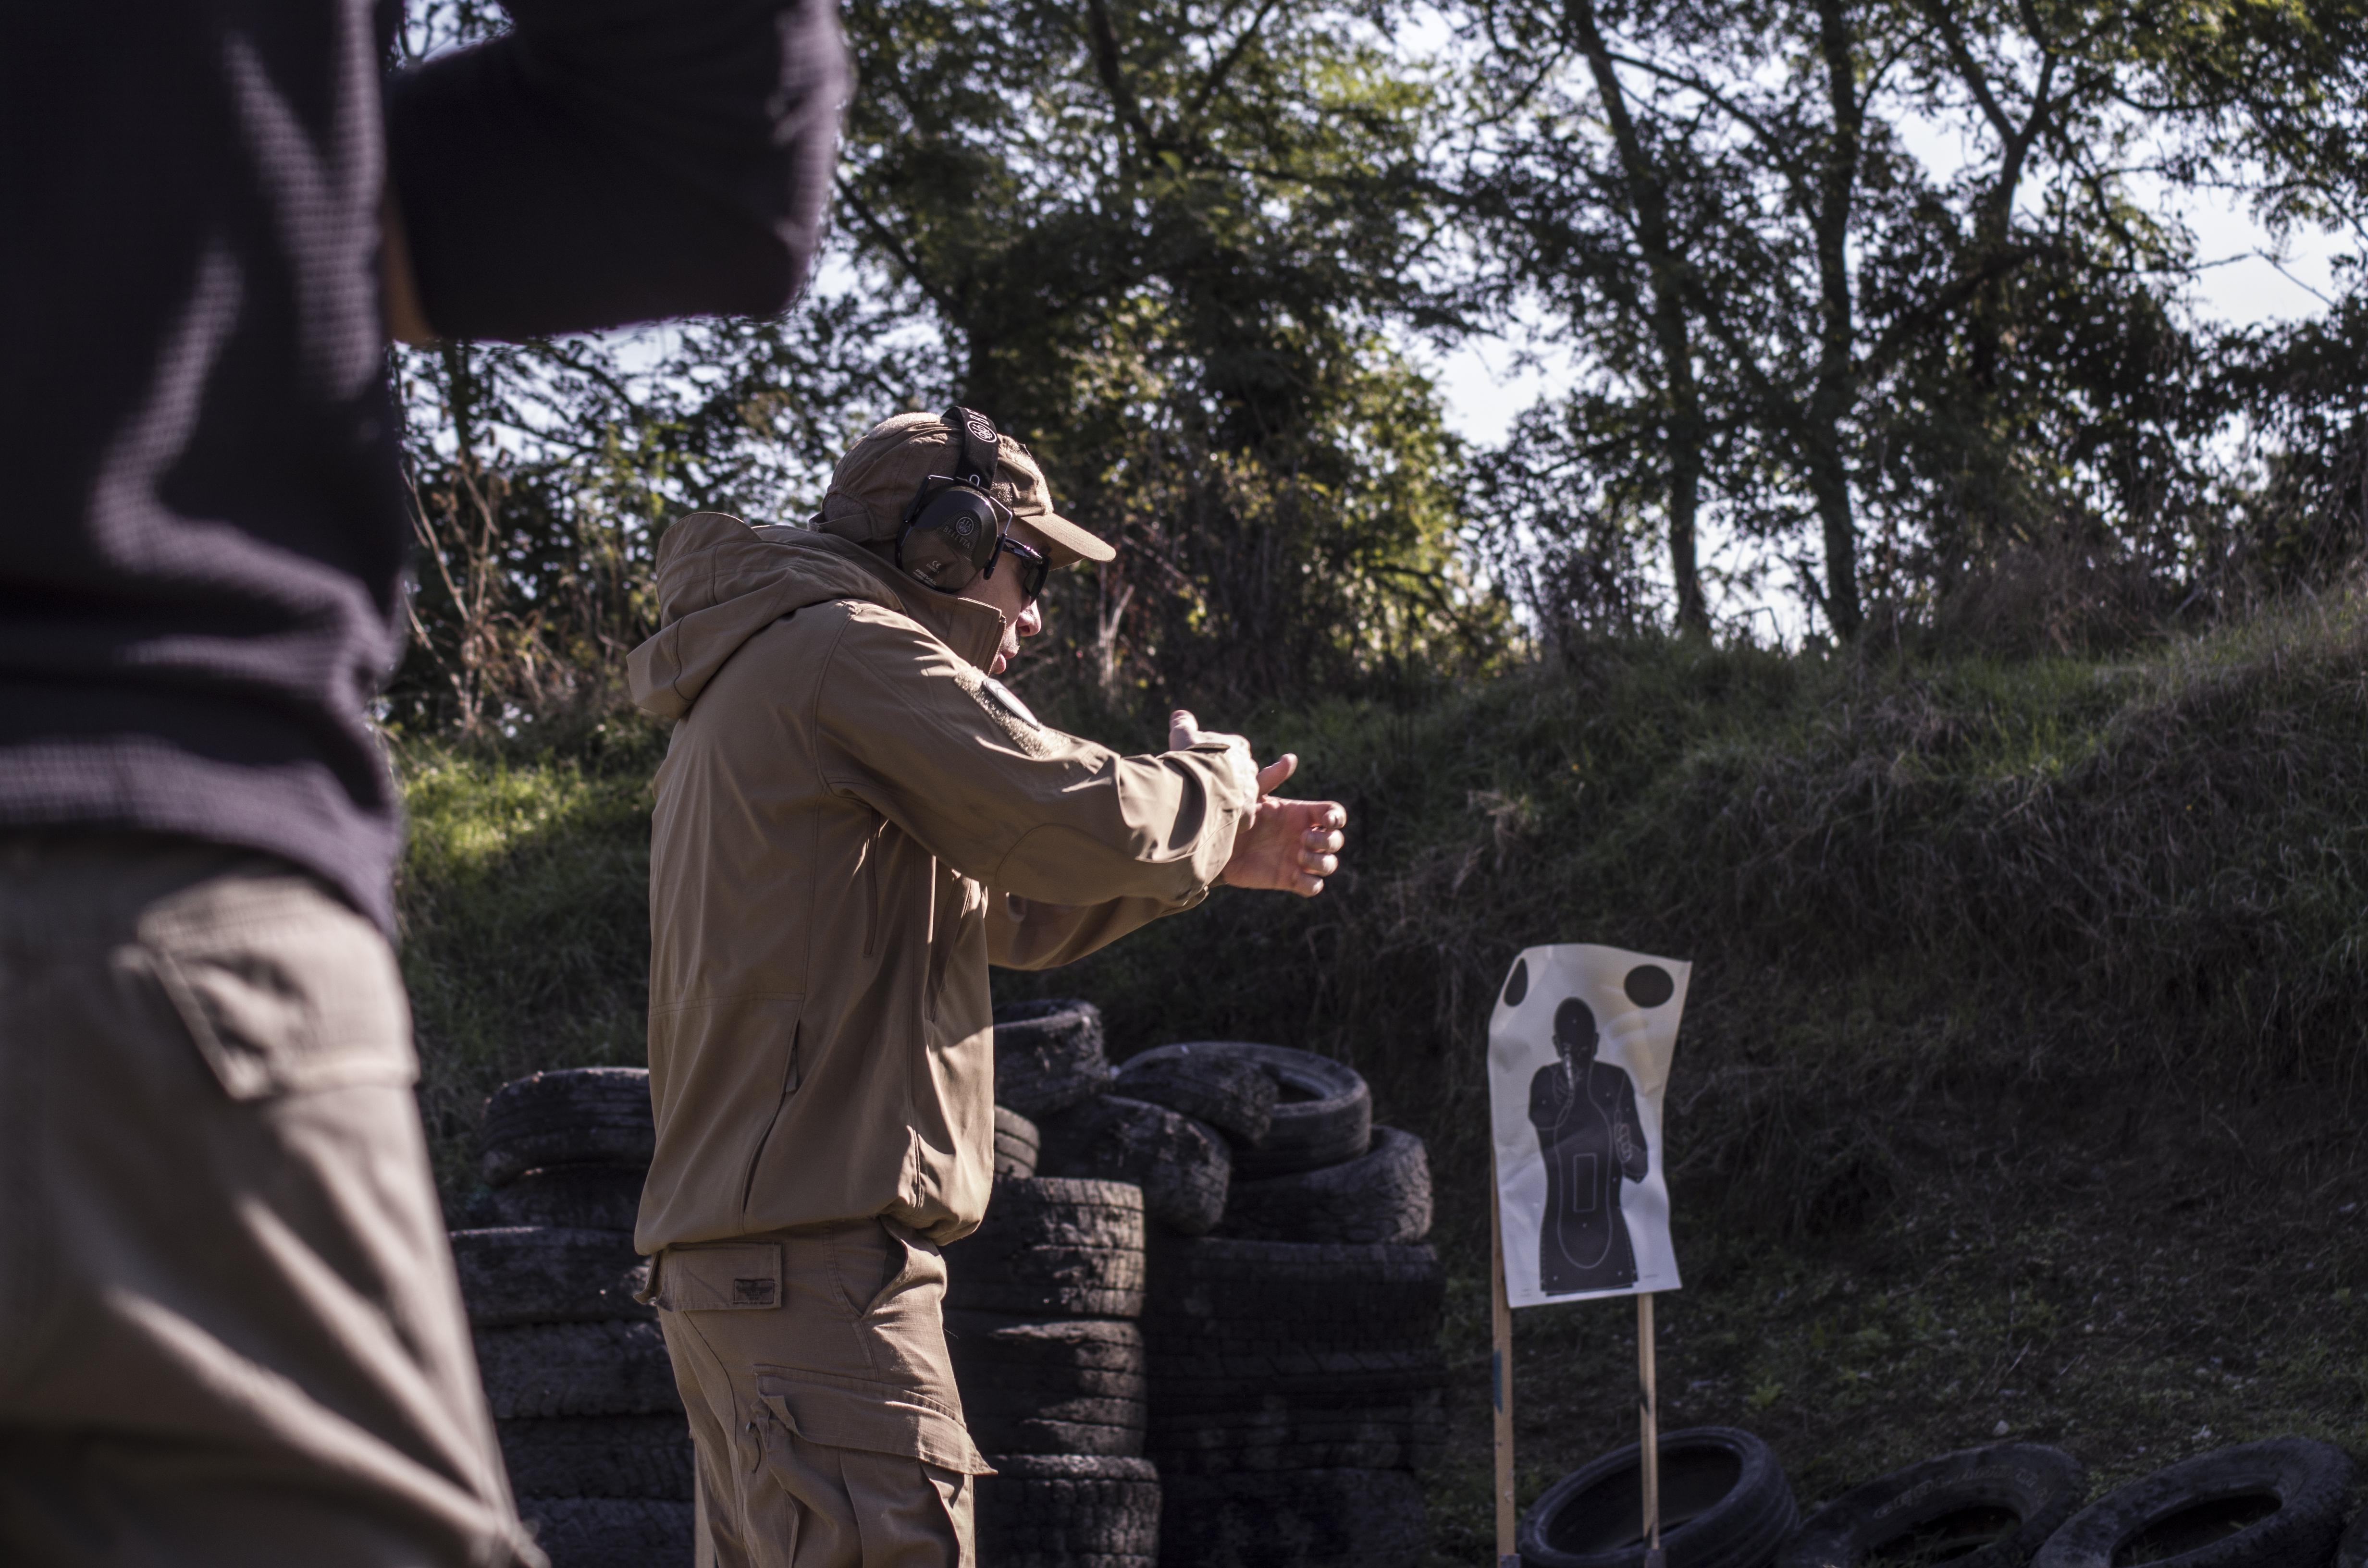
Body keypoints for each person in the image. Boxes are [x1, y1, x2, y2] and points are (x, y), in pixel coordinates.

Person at [0, 3, 846, 1562]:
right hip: (136, 887)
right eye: (1007, 558)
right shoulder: (862, 670)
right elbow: (716, 144)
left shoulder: (744, 683)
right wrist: (229, 208)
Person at [628, 406, 1349, 1568]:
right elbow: (1066, 815)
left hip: (761, 1276)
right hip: (819, 1277)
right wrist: (1210, 780)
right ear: (946, 546)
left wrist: (1208, 858)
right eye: (1032, 569)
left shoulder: (774, 673)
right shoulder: (845, 653)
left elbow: (1007, 901)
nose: (1033, 610)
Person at [1529, 997, 1651, 1294]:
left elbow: (1639, 1169)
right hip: (1562, 1229)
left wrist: (1622, 1146)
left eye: (1584, 1050)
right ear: (1557, 1047)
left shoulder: (1614, 1080)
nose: (1578, 1060)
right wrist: (1564, 1103)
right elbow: (1547, 1137)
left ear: (1596, 1044)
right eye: (1571, 1052)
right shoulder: (1547, 1081)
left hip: (1608, 1226)